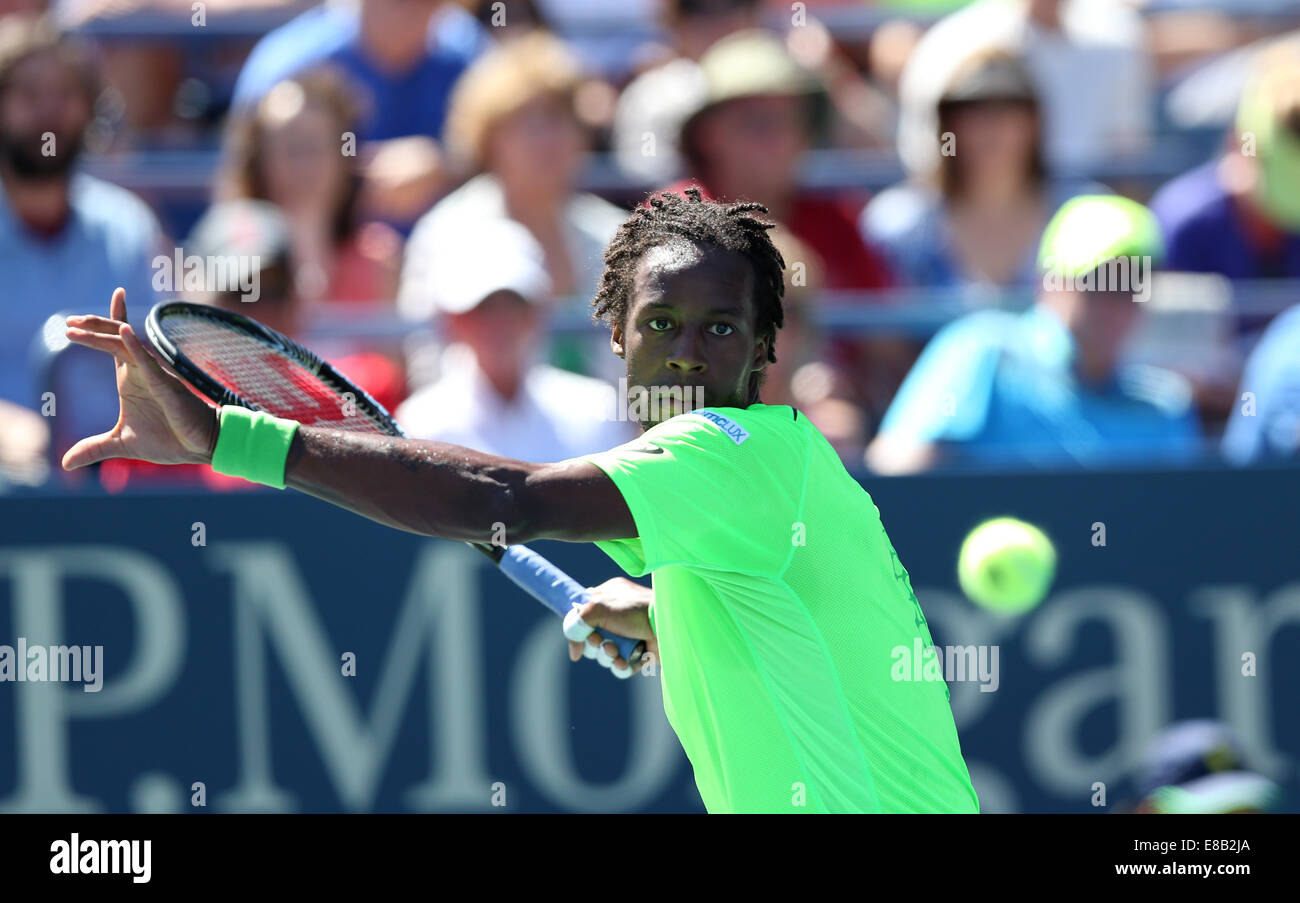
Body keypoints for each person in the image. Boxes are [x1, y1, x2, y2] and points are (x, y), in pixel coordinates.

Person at [61, 190, 980, 814]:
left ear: (763, 346)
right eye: (661, 323)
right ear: (617, 337)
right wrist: (669, 611)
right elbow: (805, 621)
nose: (689, 350)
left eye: (722, 326)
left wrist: (229, 436)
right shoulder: (771, 476)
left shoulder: (726, 454)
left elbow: (507, 498)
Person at [867, 195, 1203, 473]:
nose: (1116, 301)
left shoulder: (1166, 404)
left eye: (1133, 284)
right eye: (1098, 280)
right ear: (1049, 283)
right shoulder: (983, 351)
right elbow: (895, 471)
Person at [0, 14, 166, 478]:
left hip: (115, 487)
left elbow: (160, 369)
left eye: (65, 95)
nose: (49, 111)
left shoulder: (127, 227)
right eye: (30, 95)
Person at [395, 217, 635, 460]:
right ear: (452, 320)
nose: (500, 323)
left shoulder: (596, 409)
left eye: (514, 304)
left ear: (538, 312)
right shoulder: (420, 423)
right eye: (481, 308)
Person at [862, 51, 1103, 291]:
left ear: (1034, 125)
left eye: (1008, 111)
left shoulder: (1087, 216)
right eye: (973, 113)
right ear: (948, 129)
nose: (991, 130)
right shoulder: (899, 225)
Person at [217, 67, 403, 309]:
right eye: (290, 148)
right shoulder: (226, 253)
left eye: (315, 147)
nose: (304, 166)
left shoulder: (381, 260)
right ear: (259, 162)